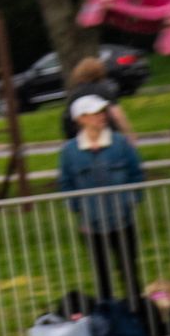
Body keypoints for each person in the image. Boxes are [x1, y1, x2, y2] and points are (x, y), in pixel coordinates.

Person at [58, 93, 145, 302]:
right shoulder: (70, 151)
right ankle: (108, 316)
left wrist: (132, 200)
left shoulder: (120, 143)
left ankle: (136, 312)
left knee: (129, 270)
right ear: (81, 119)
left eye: (101, 112)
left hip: (122, 218)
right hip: (91, 223)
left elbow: (136, 173)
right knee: (101, 274)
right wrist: (77, 209)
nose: (101, 117)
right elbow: (66, 183)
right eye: (94, 113)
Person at [61, 57, 134, 140]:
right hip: (107, 135)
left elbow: (69, 119)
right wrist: (129, 133)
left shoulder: (74, 94)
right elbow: (117, 115)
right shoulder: (104, 90)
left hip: (82, 137)